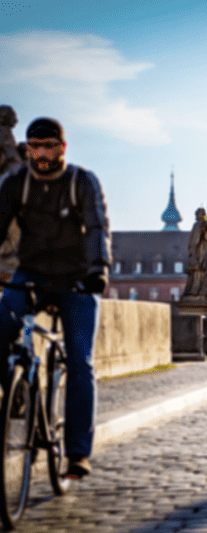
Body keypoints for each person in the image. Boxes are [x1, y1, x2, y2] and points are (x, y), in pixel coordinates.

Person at [0, 118, 111, 479]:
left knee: (80, 362)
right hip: (31, 274)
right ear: (27, 148)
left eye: (49, 145)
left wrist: (99, 269)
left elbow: (97, 226)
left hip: (77, 278)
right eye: (35, 146)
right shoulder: (17, 184)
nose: (41, 153)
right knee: (2, 326)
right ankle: (16, 390)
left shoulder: (82, 182)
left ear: (62, 148)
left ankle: (77, 452)